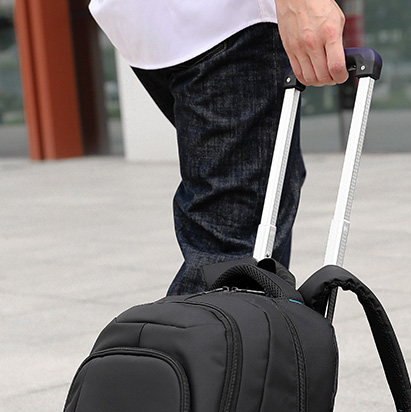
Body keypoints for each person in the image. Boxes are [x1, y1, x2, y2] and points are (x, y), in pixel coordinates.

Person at [88, 0, 348, 295]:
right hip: (232, 21)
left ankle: (257, 321)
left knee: (264, 208)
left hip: (148, 29)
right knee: (234, 261)